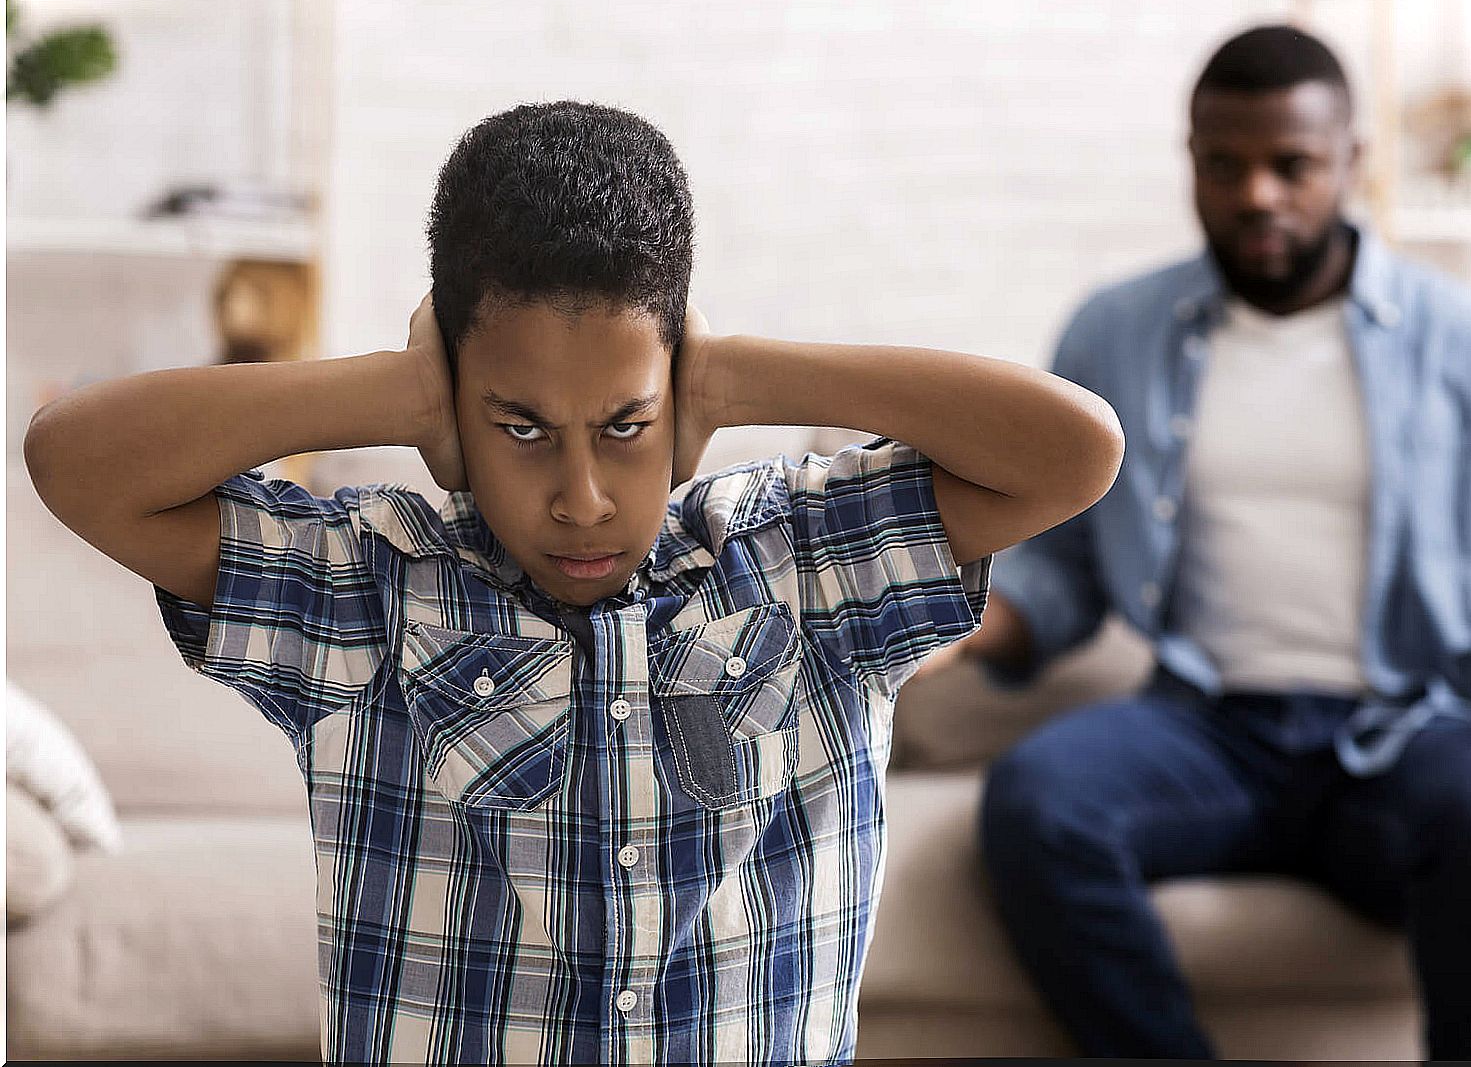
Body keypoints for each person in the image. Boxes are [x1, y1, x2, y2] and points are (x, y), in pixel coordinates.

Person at [23, 100, 1123, 1066]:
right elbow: (74, 462)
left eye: (625, 424)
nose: (584, 497)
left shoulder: (802, 563)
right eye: (522, 427)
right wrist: (397, 392)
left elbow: (1077, 450)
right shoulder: (369, 590)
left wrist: (737, 372)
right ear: (456, 405)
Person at [926, 26, 1471, 1059]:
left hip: (1409, 729)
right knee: (1038, 803)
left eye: (1291, 165)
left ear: (1353, 163)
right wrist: (956, 622)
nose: (1257, 193)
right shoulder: (1111, 334)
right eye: (1226, 165)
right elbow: (1063, 563)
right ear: (1193, 164)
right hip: (1206, 728)